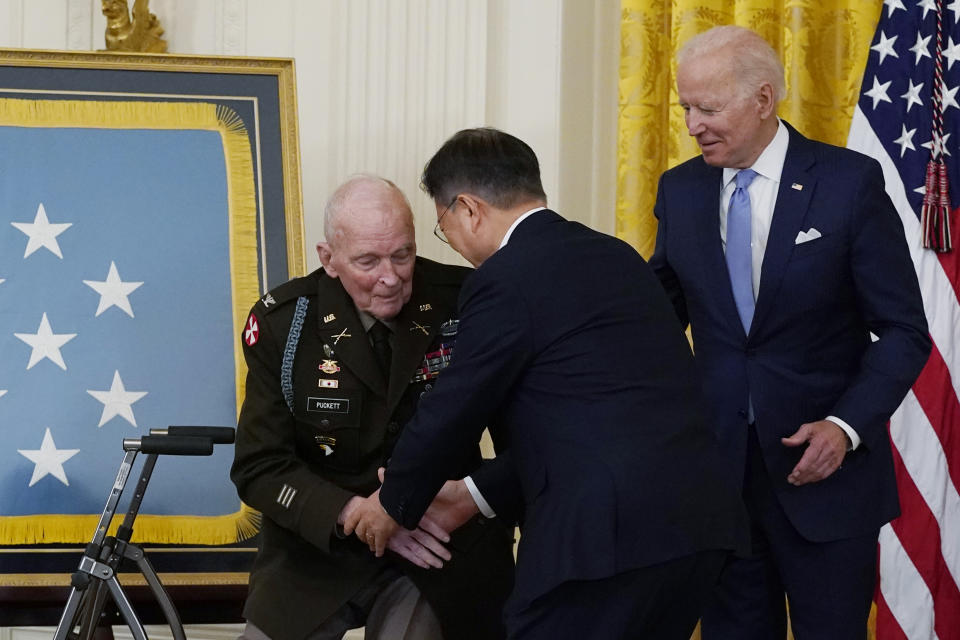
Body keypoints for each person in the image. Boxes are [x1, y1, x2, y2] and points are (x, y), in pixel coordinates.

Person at [345, 128, 745, 640]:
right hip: (696, 531)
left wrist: (393, 503)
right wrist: (473, 493)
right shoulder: (619, 256)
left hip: (598, 544)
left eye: (444, 227)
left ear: (467, 209)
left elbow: (454, 408)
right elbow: (592, 419)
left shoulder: (504, 278)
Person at [649, 25, 932, 639]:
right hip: (720, 485)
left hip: (827, 480)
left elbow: (904, 329)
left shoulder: (847, 183)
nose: (692, 125)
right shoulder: (681, 190)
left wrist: (846, 426)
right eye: (685, 108)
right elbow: (655, 320)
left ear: (763, 97)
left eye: (708, 108)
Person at [230, 174, 515, 640]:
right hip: (320, 545)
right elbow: (258, 465)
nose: (391, 276)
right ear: (329, 260)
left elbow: (521, 445)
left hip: (439, 541)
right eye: (368, 260)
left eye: (403, 254)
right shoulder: (285, 324)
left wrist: (454, 502)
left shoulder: (466, 301)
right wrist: (357, 515)